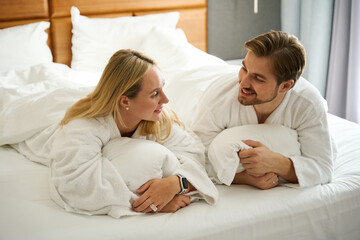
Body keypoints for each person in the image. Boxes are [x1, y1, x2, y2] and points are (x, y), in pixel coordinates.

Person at [13, 49, 218, 218]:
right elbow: (75, 186)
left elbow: (197, 156)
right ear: (125, 101)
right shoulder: (83, 126)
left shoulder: (159, 118)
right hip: (47, 120)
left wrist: (175, 183)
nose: (165, 99)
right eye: (155, 94)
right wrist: (151, 204)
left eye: (162, 88)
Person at [190, 31, 335, 190]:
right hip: (194, 90)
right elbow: (196, 159)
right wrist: (244, 178)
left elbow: (323, 167)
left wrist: (279, 163)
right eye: (244, 68)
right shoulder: (218, 97)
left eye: (258, 78)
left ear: (285, 86)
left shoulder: (307, 104)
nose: (243, 83)